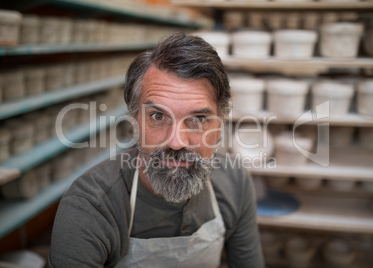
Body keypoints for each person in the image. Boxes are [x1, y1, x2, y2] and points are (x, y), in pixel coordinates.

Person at [49, 32, 265, 268]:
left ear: (220, 125)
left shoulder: (234, 182)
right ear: (134, 124)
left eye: (199, 119)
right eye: (158, 116)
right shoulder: (89, 207)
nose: (176, 142)